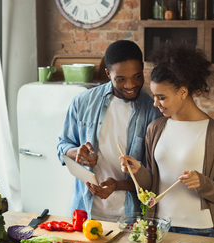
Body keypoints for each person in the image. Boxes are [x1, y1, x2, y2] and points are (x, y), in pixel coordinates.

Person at [119, 43, 214, 239]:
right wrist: (138, 170)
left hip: (201, 229)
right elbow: (153, 183)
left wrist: (202, 182)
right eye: (154, 96)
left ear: (183, 92)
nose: (155, 104)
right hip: (161, 228)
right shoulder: (156, 128)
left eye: (161, 97)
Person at [57, 40, 163, 222]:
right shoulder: (82, 103)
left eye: (137, 76)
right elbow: (62, 147)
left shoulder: (153, 110)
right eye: (121, 79)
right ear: (108, 74)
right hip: (85, 213)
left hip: (132, 218)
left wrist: (117, 185)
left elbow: (154, 177)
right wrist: (77, 153)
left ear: (143, 68)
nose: (130, 85)